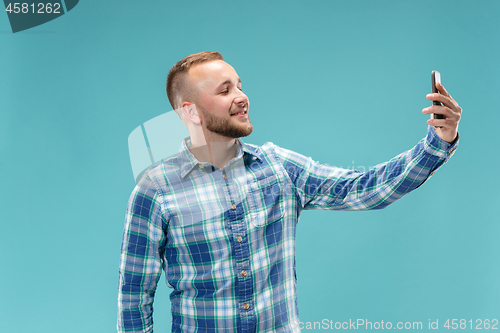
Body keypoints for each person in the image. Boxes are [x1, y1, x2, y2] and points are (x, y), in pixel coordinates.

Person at [117, 52, 461, 333]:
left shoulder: (278, 167)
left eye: (239, 86)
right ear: (190, 111)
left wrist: (439, 141)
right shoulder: (156, 190)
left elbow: (364, 188)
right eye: (224, 91)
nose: (241, 97)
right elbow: (134, 298)